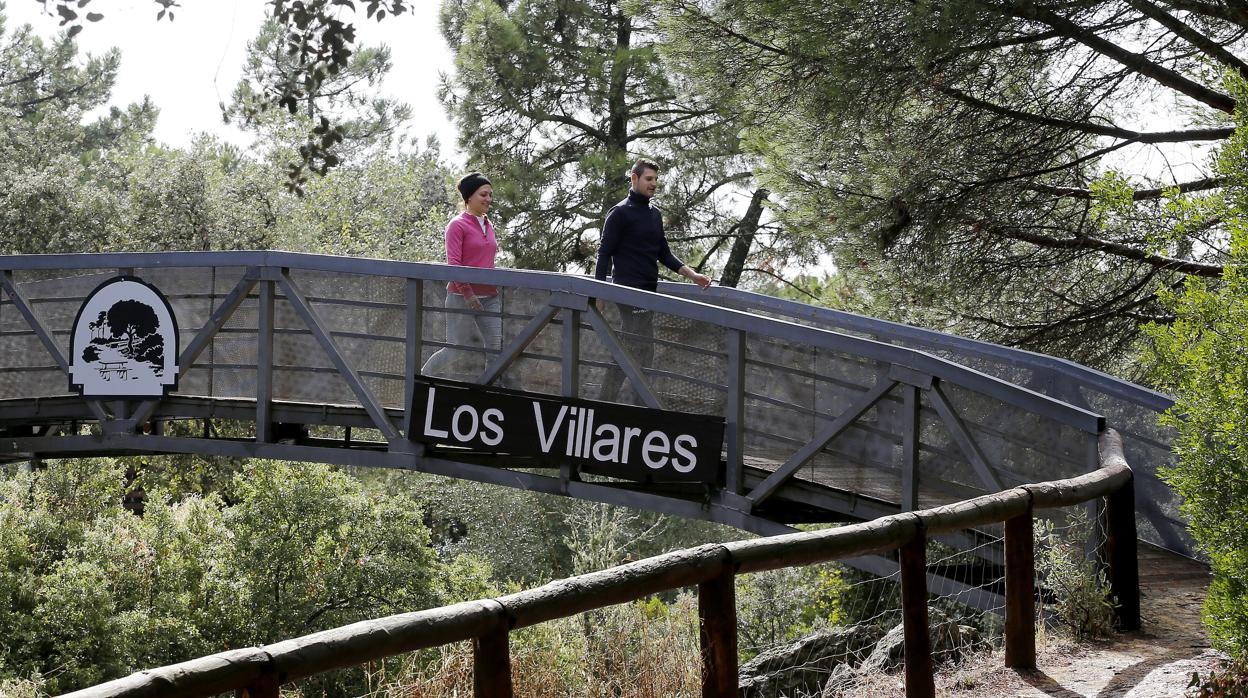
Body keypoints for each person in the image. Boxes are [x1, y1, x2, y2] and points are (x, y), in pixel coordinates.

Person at [594, 158, 711, 403]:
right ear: (634, 179)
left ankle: (614, 403)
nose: (654, 183)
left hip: (649, 292)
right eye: (649, 179)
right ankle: (633, 406)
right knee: (641, 350)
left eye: (656, 179)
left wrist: (693, 276)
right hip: (627, 291)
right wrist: (598, 294)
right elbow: (604, 254)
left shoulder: (654, 214)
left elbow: (664, 253)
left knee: (634, 352)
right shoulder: (619, 213)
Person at [422, 172, 504, 381]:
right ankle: (423, 378)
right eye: (483, 194)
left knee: (496, 348)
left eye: (490, 195)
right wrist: (468, 294)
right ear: (469, 198)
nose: (488, 199)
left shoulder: (488, 223)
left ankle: (488, 392)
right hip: (461, 296)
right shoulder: (457, 225)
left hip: (490, 297)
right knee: (454, 349)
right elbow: (454, 264)